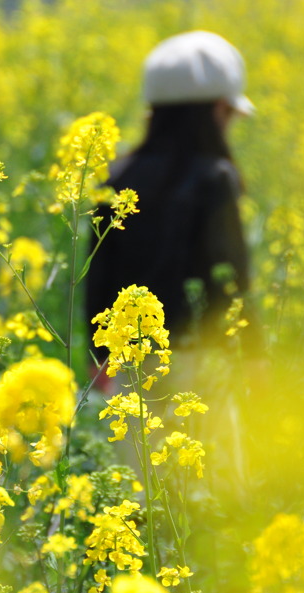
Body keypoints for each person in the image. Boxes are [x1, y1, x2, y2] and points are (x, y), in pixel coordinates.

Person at [86, 30, 259, 367]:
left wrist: (98, 356)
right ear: (219, 109)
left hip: (128, 361)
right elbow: (231, 275)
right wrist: (254, 356)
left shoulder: (116, 177)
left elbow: (98, 273)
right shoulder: (215, 178)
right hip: (200, 361)